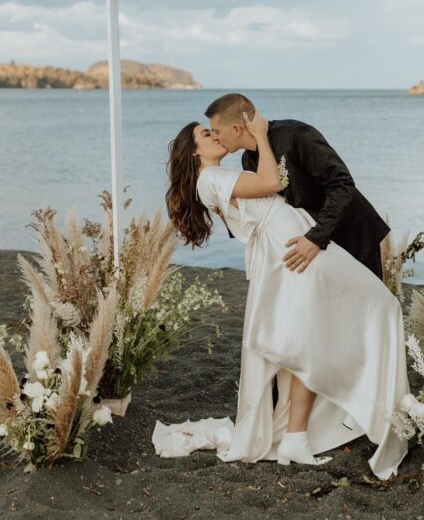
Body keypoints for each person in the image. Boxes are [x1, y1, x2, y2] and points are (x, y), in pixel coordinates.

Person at [156, 111, 409, 481]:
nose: (214, 136)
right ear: (194, 153)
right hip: (291, 245)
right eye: (204, 134)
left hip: (290, 242)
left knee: (310, 338)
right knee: (377, 307)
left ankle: (300, 433)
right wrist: (260, 135)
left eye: (213, 129)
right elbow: (272, 182)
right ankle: (353, 407)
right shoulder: (211, 177)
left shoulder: (217, 177)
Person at [204, 93, 390, 280]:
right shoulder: (249, 161)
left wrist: (315, 238)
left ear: (236, 129)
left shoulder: (295, 134)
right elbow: (267, 212)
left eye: (216, 131)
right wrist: (230, 211)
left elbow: (342, 183)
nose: (215, 138)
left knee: (367, 305)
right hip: (313, 248)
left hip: (352, 236)